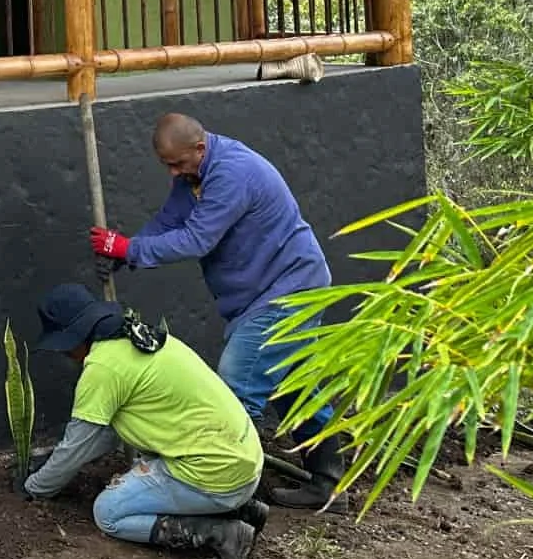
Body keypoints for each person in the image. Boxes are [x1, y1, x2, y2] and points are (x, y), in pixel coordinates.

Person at [86, 112, 345, 509]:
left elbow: (197, 239)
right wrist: (126, 252)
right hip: (279, 286)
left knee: (236, 386)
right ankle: (329, 484)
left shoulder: (231, 174)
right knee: (295, 385)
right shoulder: (194, 174)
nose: (173, 173)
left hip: (287, 289)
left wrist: (128, 249)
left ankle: (227, 492)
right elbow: (169, 221)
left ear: (199, 147)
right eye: (167, 165)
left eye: (177, 164)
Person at [21, 283, 265, 559]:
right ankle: (244, 509)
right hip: (245, 463)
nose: (67, 355)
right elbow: (104, 435)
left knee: (108, 512)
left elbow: (77, 448)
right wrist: (52, 461)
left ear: (74, 338)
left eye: (64, 347)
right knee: (142, 466)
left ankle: (223, 534)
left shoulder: (103, 368)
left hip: (215, 478)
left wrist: (36, 487)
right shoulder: (142, 337)